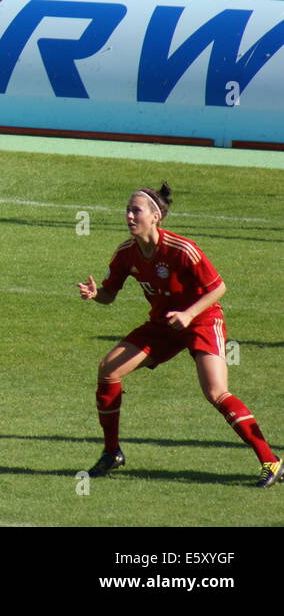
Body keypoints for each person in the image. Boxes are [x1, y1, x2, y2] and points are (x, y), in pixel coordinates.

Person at [77, 183, 281, 487]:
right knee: (108, 369)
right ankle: (111, 453)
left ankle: (271, 461)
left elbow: (218, 288)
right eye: (128, 210)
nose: (129, 216)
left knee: (216, 392)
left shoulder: (182, 249)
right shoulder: (126, 253)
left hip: (200, 320)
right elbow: (110, 294)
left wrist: (188, 314)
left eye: (136, 210)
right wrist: (97, 295)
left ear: (155, 216)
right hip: (163, 325)